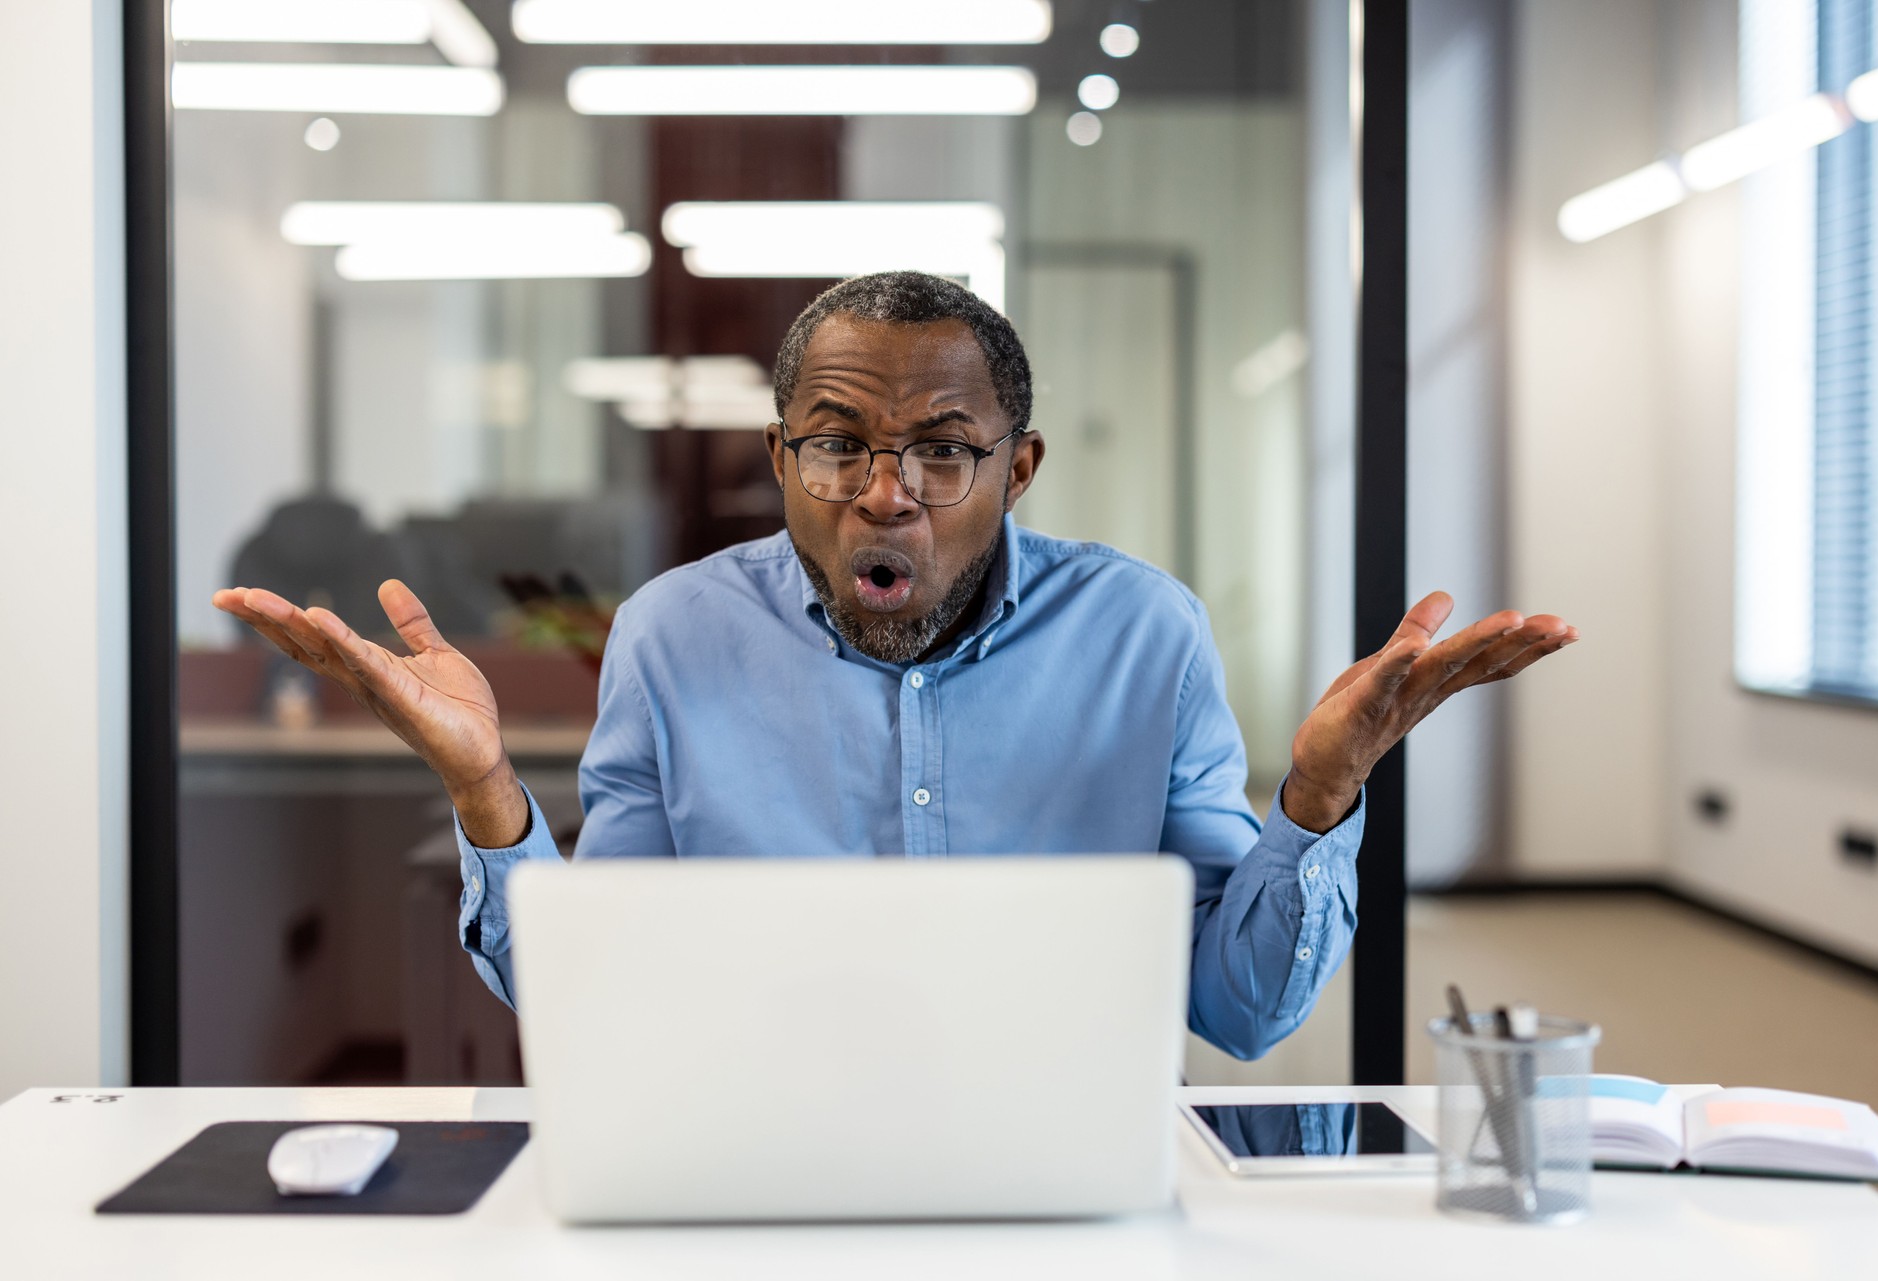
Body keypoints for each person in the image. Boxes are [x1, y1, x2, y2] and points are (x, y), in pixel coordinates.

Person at [215, 271, 1576, 1060]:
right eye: (837, 442)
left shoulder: (1143, 634)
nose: (888, 493)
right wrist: (492, 799)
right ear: (780, 460)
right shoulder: (674, 634)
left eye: (943, 446)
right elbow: (597, 997)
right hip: (748, 1141)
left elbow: (1237, 1011)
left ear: (1017, 467)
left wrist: (1317, 803)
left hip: (1059, 1155)